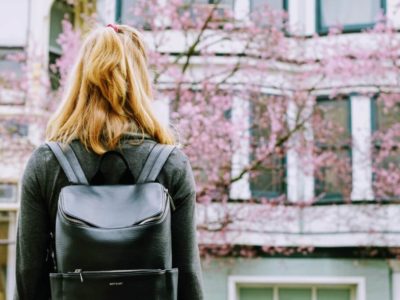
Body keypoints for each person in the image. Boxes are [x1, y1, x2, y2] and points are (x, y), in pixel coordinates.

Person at [14, 24, 204, 300]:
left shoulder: (46, 164)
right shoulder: (171, 164)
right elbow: (188, 276)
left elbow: (28, 277)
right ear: (140, 81)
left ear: (80, 80)